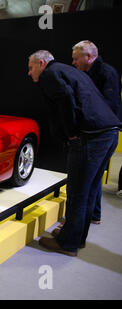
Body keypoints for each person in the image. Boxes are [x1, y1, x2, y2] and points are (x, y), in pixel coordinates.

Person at [27, 50, 121, 256]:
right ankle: (77, 238)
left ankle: (67, 243)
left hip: (90, 137)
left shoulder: (49, 74)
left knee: (77, 192)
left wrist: (71, 133)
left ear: (42, 63)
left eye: (31, 67)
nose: (29, 72)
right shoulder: (69, 70)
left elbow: (66, 98)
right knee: (88, 189)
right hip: (109, 133)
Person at [71, 41, 122, 220]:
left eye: (76, 59)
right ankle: (94, 214)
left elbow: (107, 107)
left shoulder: (105, 74)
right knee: (94, 178)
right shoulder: (94, 73)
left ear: (89, 57)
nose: (74, 63)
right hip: (105, 133)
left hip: (101, 134)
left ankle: (82, 219)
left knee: (86, 181)